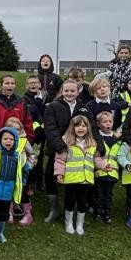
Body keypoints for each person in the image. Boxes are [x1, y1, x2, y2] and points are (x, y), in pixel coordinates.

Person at [42, 80, 91, 223]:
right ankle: (54, 209)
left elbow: (91, 127)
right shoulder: (52, 106)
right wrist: (61, 147)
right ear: (62, 91)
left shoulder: (84, 108)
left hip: (79, 151)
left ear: (78, 92)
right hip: (57, 149)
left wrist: (98, 146)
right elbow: (50, 129)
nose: (69, 93)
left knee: (76, 180)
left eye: (72, 91)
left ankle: (73, 209)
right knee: (51, 177)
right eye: (66, 91)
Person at [54, 115, 100, 236]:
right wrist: (59, 173)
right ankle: (68, 223)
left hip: (85, 179)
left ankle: (80, 224)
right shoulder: (66, 141)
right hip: (71, 179)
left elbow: (96, 159)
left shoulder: (92, 143)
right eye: (78, 125)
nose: (81, 128)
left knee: (82, 202)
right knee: (70, 201)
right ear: (72, 127)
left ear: (88, 128)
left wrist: (104, 165)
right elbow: (60, 160)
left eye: (84, 126)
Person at [93, 112, 121, 224]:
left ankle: (107, 211)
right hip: (100, 171)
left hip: (112, 171)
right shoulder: (97, 137)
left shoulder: (117, 138)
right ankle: (98, 212)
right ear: (98, 124)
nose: (108, 124)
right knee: (99, 193)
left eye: (110, 121)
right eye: (105, 122)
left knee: (108, 194)